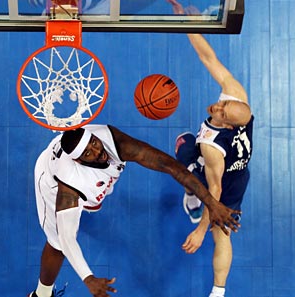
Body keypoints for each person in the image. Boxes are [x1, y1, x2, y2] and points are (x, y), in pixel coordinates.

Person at [29, 124, 242, 297]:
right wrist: (88, 278)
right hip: (50, 181)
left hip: (88, 178)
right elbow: (67, 239)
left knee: (94, 200)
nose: (97, 151)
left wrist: (211, 203)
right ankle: (41, 294)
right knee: (57, 243)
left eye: (94, 143)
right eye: (88, 153)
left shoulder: (111, 139)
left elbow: (169, 165)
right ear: (79, 160)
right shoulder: (69, 185)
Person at [168, 1, 254, 297]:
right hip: (238, 177)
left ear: (227, 125)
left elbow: (214, 193)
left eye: (220, 111)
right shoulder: (238, 98)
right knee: (224, 230)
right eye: (223, 103)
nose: (217, 105)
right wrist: (189, 22)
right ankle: (219, 292)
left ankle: (218, 292)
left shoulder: (210, 145)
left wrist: (201, 228)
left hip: (219, 177)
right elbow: (209, 58)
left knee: (183, 147)